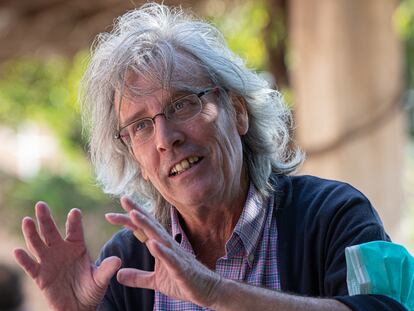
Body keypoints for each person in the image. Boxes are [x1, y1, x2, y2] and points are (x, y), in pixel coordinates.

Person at [13, 3, 406, 311]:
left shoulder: (332, 215)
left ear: (237, 111)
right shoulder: (128, 261)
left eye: (183, 104)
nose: (166, 138)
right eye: (141, 126)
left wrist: (215, 292)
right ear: (135, 158)